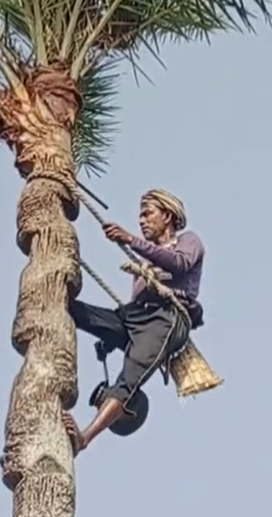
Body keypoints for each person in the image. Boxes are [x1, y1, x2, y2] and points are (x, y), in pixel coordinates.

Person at [63, 188, 206, 455]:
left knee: (127, 380)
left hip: (166, 318)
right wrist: (110, 334)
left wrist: (130, 239)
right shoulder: (146, 260)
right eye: (140, 216)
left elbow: (180, 264)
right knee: (76, 311)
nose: (142, 221)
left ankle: (83, 438)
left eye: (147, 213)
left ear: (168, 216)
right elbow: (133, 312)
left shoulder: (188, 241)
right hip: (135, 317)